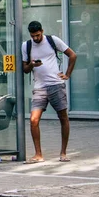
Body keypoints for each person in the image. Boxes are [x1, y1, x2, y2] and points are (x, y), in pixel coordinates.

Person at [22, 21, 77, 164]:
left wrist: (67, 74)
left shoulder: (53, 40)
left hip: (56, 85)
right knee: (34, 120)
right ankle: (38, 154)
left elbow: (72, 55)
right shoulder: (26, 45)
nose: (35, 38)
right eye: (33, 36)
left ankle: (63, 153)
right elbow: (25, 69)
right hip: (39, 87)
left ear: (42, 31)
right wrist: (32, 64)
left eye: (38, 35)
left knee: (63, 118)